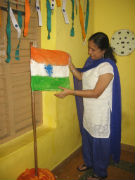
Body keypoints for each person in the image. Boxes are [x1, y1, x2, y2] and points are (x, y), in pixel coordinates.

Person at [55, 32, 121, 180]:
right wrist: (70, 64)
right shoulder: (91, 62)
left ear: (103, 50)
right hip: (89, 110)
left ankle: (100, 173)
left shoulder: (107, 67)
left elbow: (96, 93)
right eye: (89, 48)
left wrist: (71, 92)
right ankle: (89, 163)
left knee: (99, 143)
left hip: (101, 112)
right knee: (88, 137)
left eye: (93, 49)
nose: (89, 52)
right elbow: (81, 76)